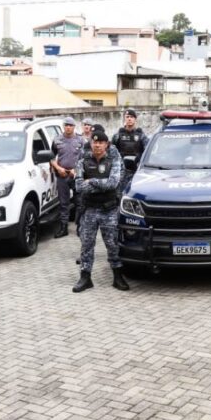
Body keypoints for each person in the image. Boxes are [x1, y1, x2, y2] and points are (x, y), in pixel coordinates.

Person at [72, 131, 129, 292]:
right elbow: (78, 186)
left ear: (106, 144)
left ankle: (118, 277)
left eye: (101, 142)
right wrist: (98, 184)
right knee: (86, 245)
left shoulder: (114, 160)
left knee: (112, 245)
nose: (97, 145)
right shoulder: (83, 162)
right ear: (91, 143)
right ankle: (85, 277)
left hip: (109, 210)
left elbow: (113, 183)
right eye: (94, 142)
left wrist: (92, 181)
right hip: (89, 210)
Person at [51, 117, 86, 237]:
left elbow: (85, 159)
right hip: (62, 175)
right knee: (63, 203)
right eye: (66, 125)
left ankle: (80, 227)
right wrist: (58, 168)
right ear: (63, 126)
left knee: (80, 203)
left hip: (76, 176)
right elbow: (51, 157)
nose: (68, 127)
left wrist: (76, 170)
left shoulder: (81, 140)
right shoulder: (57, 140)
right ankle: (63, 228)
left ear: (74, 127)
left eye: (70, 125)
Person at [112, 108, 149, 194]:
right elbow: (111, 151)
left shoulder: (141, 135)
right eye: (127, 117)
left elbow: (148, 151)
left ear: (135, 119)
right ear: (124, 119)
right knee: (120, 194)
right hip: (121, 171)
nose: (129, 119)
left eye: (131, 117)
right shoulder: (117, 135)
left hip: (136, 170)